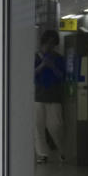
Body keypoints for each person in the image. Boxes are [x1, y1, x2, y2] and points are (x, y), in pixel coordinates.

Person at [34, 29, 65, 163]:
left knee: (55, 125)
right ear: (43, 43)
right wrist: (42, 65)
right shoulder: (35, 57)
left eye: (53, 44)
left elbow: (62, 76)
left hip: (54, 96)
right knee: (37, 126)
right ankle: (42, 154)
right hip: (38, 96)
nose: (50, 46)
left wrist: (52, 66)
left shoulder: (58, 58)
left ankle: (62, 149)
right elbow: (31, 74)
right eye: (48, 43)